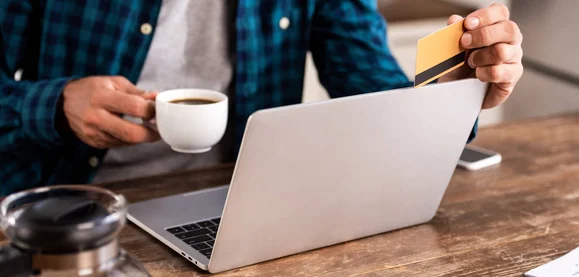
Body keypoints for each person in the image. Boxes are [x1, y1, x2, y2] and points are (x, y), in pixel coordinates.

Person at [0, 1, 523, 195]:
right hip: (72, 206)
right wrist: (53, 106)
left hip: (236, 209)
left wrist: (449, 94)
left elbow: (373, 96)